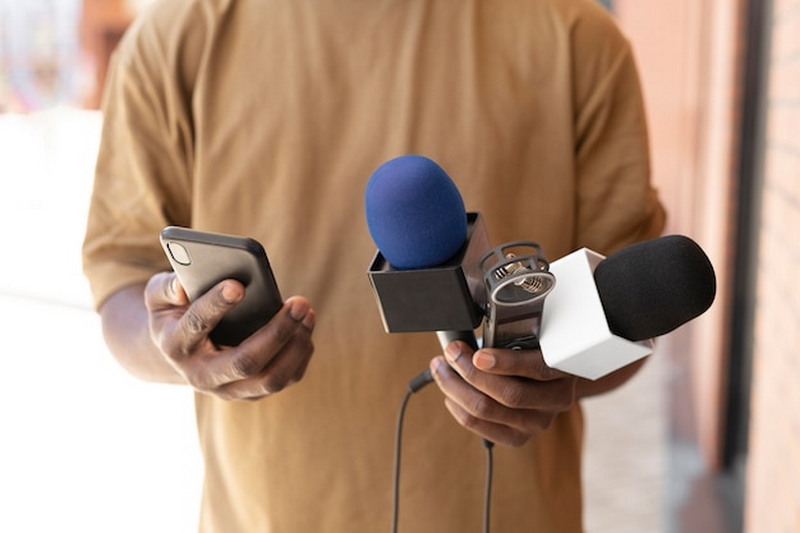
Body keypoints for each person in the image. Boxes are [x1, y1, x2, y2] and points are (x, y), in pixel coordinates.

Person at [82, 0, 666, 531]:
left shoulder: (577, 37)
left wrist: (558, 373)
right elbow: (123, 286)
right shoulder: (173, 39)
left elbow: (634, 307)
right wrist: (177, 344)